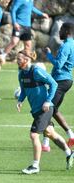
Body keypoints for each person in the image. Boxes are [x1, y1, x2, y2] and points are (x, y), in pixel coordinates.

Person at [16, 50, 74, 174]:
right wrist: (20, 101)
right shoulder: (21, 74)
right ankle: (69, 153)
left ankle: (35, 166)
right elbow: (24, 90)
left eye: (19, 59)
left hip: (46, 109)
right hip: (36, 111)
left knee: (34, 135)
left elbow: (53, 83)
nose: (17, 61)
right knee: (50, 133)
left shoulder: (36, 71)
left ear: (26, 59)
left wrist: (48, 101)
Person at [41, 22, 74, 152]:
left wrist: (49, 55)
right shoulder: (72, 44)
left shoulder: (66, 46)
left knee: (47, 108)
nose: (58, 32)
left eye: (60, 30)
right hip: (66, 80)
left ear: (66, 31)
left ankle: (45, 143)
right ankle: (71, 135)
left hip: (61, 80)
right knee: (53, 111)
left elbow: (59, 65)